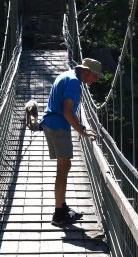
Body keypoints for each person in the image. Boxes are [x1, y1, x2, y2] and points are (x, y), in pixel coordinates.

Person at [39, 58, 101, 226]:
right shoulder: (74, 82)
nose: (96, 80)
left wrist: (79, 126)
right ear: (87, 72)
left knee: (65, 167)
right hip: (59, 126)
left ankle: (62, 206)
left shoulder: (68, 75)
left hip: (51, 123)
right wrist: (83, 132)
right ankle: (59, 214)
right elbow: (67, 111)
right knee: (62, 169)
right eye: (95, 77)